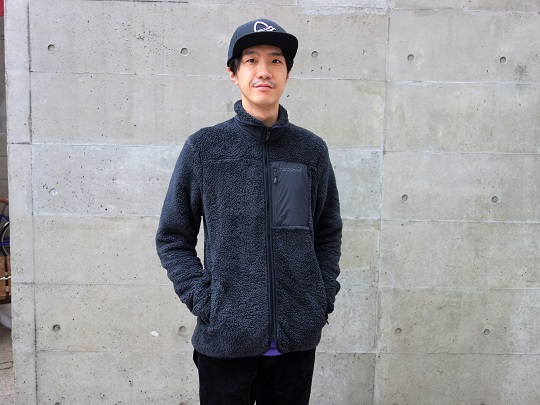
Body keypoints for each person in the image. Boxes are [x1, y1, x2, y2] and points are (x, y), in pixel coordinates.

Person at [156, 18, 342, 405]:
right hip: (225, 342)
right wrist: (206, 301)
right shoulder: (205, 149)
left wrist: (319, 299)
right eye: (251, 60)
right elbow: (173, 237)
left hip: (295, 343)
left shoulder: (309, 151)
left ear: (287, 73)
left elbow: (326, 233)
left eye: (276, 61)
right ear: (234, 73)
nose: (264, 71)